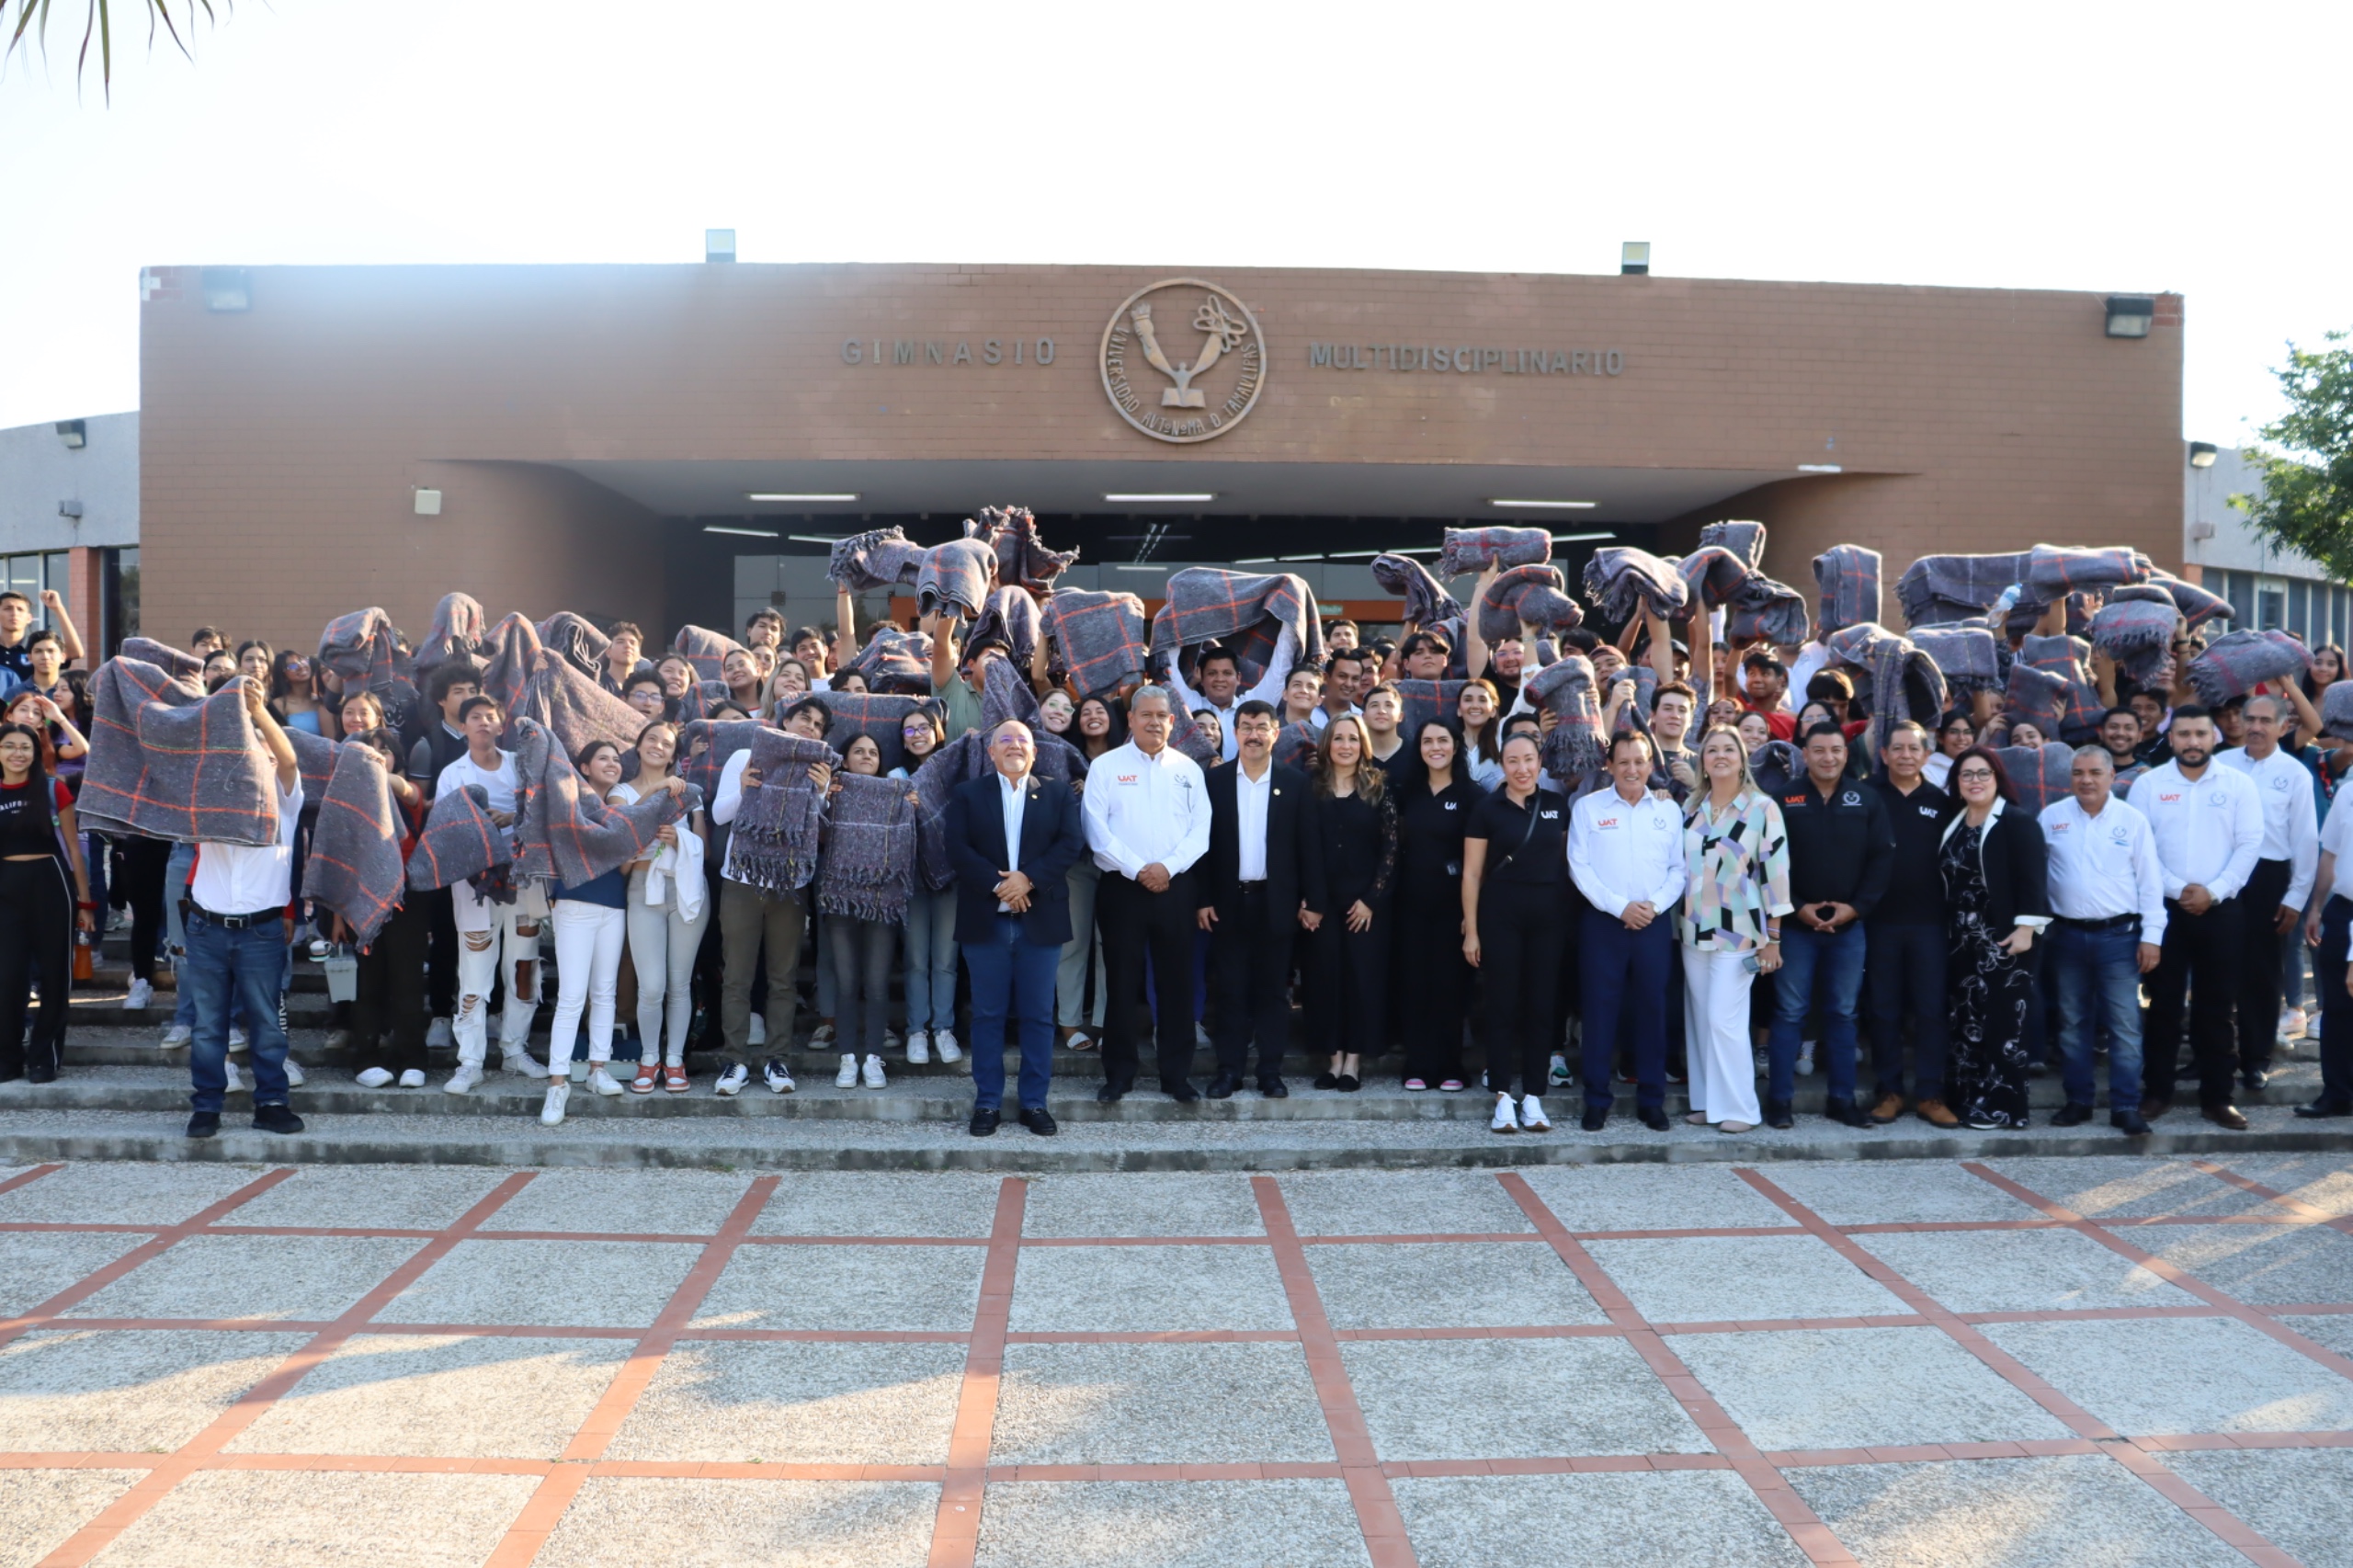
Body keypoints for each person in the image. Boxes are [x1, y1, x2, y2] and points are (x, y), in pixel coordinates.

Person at [948, 719, 1086, 1135]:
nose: (1014, 745)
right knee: (987, 1015)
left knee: (1039, 1017)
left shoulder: (1058, 793)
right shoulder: (968, 794)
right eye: (1004, 740)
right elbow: (957, 847)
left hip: (1039, 922)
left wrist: (1028, 879)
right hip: (985, 921)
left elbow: (1070, 843)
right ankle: (987, 1103)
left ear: (1034, 752)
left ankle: (1034, 1103)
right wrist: (1000, 886)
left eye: (1022, 739)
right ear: (991, 752)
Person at [183, 676, 303, 1138]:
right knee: (207, 1026)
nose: (254, 755)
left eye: (261, 749)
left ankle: (271, 1103)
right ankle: (206, 1106)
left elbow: (289, 760)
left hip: (260, 931)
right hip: (206, 928)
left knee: (267, 1024)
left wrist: (258, 713)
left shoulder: (285, 800)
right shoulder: (209, 795)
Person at [2133, 705, 2265, 1129]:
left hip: (2222, 909)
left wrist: (2213, 891)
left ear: (2214, 738)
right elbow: (2141, 849)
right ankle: (2157, 1092)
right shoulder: (2148, 785)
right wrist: (2178, 889)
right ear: (2171, 739)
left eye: (2200, 734)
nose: (2192, 741)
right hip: (2164, 910)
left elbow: (2250, 844)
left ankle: (2218, 1098)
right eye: (2184, 734)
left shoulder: (2239, 784)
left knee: (2218, 1007)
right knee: (2163, 1006)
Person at [1081, 685, 1211, 1103]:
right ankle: (1119, 1075)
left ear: (1172, 722)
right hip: (1122, 887)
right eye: (1146, 715)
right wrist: (1139, 869)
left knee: (1176, 982)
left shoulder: (1188, 769)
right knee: (1121, 982)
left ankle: (1176, 1076)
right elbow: (1096, 831)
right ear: (1132, 719)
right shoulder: (1106, 767)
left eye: (1161, 716)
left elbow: (1201, 830)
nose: (1154, 722)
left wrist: (1166, 868)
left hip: (1176, 886)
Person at [1766, 722, 1893, 1129]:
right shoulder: (1784, 799)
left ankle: (1842, 1100)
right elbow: (1769, 861)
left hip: (1848, 929)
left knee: (1843, 1014)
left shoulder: (1866, 799)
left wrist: (1855, 909)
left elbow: (1881, 860)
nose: (1828, 757)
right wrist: (1796, 907)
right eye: (1819, 750)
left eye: (1836, 749)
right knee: (1789, 1013)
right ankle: (1779, 1102)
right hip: (1795, 928)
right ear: (1805, 754)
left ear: (1846, 753)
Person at [710, 696, 835, 1096]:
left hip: (791, 883)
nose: (810, 727)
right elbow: (719, 814)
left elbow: (820, 833)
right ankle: (734, 1061)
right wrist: (744, 789)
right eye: (804, 718)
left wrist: (822, 793)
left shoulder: (818, 769)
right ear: (786, 721)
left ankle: (776, 1060)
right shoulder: (746, 755)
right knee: (737, 977)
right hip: (742, 878)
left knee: (783, 978)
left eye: (818, 725)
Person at [2040, 745, 2165, 1135]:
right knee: (2072, 1023)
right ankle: (2078, 1101)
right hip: (2066, 936)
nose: (2086, 780)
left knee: (2124, 1024)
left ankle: (2125, 1105)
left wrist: (2153, 937)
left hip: (2119, 938)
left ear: (2112, 776)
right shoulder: (2051, 817)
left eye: (2095, 772)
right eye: (2078, 773)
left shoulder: (2132, 820)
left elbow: (2150, 882)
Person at [1197, 699, 1317, 1096]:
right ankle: (1229, 1071)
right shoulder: (1213, 782)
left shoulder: (1296, 783)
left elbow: (1308, 848)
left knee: (1273, 993)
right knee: (1230, 991)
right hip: (1227, 903)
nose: (1253, 735)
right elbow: (1201, 846)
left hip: (1276, 903)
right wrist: (1202, 898)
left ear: (1275, 733)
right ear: (1235, 733)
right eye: (1246, 727)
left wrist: (1312, 899)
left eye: (1262, 727)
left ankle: (1270, 1072)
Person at [1568, 731, 1687, 1132]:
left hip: (1653, 922)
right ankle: (1596, 1100)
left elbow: (1678, 869)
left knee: (1652, 1010)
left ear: (1650, 765)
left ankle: (1652, 1101)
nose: (1631, 769)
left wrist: (1653, 906)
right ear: (1610, 766)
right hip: (1604, 923)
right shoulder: (1588, 808)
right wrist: (1620, 907)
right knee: (1600, 1011)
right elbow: (1579, 867)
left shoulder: (1669, 810)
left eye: (1639, 761)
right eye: (1623, 762)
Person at [437, 695, 551, 1095]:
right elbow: (445, 828)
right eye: (475, 717)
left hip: (524, 879)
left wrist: (514, 819)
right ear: (462, 726)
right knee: (474, 971)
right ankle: (470, 1061)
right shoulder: (452, 773)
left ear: (502, 725)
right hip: (475, 884)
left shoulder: (521, 766)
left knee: (524, 968)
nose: (483, 722)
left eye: (490, 716)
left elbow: (543, 812)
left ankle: (515, 1049)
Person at [1678, 724, 1789, 1133]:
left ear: (1743, 759)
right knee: (1700, 1020)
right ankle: (1708, 1103)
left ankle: (1742, 1109)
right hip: (1693, 929)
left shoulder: (1763, 808)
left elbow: (1776, 875)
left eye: (1729, 749)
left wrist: (1773, 937)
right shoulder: (1692, 807)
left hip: (1740, 931)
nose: (1720, 756)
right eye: (1712, 750)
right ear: (1703, 761)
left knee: (1724, 1020)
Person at [1461, 733, 1572, 1134]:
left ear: (1540, 762)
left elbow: (1567, 862)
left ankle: (1535, 1095)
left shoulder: (1557, 805)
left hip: (1548, 917)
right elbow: (1472, 874)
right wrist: (1471, 930)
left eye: (1528, 760)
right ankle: (1503, 1095)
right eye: (1513, 761)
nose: (1522, 769)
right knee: (1502, 1004)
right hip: (1500, 914)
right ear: (1503, 765)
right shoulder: (1486, 808)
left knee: (1541, 1005)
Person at [1936, 747, 2052, 1130]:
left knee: (2004, 1025)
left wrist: (2026, 929)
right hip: (1962, 940)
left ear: (1997, 777)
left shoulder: (2017, 821)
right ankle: (1967, 1098)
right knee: (1966, 1018)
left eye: (1983, 773)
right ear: (1956, 782)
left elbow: (2034, 880)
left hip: (2005, 940)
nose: (1975, 781)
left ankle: (2005, 1109)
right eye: (1966, 774)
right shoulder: (1955, 822)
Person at [534, 739, 643, 1122]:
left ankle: (598, 1068)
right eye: (603, 758)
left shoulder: (621, 809)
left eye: (616, 759)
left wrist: (632, 852)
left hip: (613, 905)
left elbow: (621, 867)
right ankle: (557, 1083)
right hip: (574, 903)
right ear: (584, 767)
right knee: (572, 996)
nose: (612, 764)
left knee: (604, 993)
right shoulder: (570, 803)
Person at [2218, 692, 2320, 1093]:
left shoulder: (2294, 774)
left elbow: (2305, 839)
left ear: (2283, 727)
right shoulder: (2221, 764)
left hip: (2268, 877)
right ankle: (2212, 1054)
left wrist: (2295, 897)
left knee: (2261, 971)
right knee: (2215, 966)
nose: (2256, 727)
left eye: (2265, 720)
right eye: (2251, 719)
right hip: (2222, 874)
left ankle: (2256, 1058)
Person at [1863, 722, 1959, 1127]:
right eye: (1897, 748)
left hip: (1929, 924)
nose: (1905, 755)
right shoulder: (1866, 795)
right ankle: (1889, 1091)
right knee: (1883, 1009)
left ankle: (1930, 1093)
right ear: (1884, 754)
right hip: (1878, 922)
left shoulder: (1942, 801)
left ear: (1926, 755)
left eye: (1913, 748)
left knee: (1931, 1009)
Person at [1302, 712, 1397, 1093]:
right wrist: (1309, 899)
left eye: (1353, 739)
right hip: (1320, 903)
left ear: (1363, 745)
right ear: (1328, 745)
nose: (1346, 745)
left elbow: (1391, 849)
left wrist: (1371, 900)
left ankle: (1353, 1062)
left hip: (1365, 905)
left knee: (1361, 980)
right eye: (1339, 738)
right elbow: (1301, 846)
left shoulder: (1379, 787)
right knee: (1324, 979)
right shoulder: (1311, 787)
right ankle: (1333, 1059)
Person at [613, 719, 707, 1095]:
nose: (657, 746)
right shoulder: (621, 791)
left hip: (685, 888)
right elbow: (621, 831)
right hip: (642, 889)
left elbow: (704, 847)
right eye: (650, 739)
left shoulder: (689, 793)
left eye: (666, 743)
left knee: (679, 983)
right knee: (651, 986)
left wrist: (680, 841)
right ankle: (649, 1058)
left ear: (673, 756)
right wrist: (655, 791)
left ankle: (675, 1060)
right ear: (638, 746)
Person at [0, 722, 92, 1084]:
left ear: (36, 752)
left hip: (51, 885)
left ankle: (45, 1057)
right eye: (9, 746)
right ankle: (7, 1058)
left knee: (55, 975)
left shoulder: (54, 789)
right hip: (6, 888)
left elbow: (73, 849)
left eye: (25, 747)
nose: (17, 753)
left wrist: (86, 903)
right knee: (8, 977)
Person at [817, 733, 909, 1092]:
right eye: (859, 751)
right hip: (840, 895)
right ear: (846, 759)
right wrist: (824, 797)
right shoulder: (834, 790)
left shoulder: (895, 793)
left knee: (876, 984)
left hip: (883, 897)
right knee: (846, 983)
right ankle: (847, 1058)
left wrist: (913, 805)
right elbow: (815, 832)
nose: (867, 756)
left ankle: (872, 1057)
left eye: (873, 751)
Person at [1394, 717, 1481, 1091]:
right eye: (1427, 741)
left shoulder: (1472, 795)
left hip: (1454, 908)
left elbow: (1479, 862)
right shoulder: (1406, 792)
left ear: (1455, 745)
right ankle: (1417, 1064)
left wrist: (1471, 917)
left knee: (1450, 986)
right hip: (1410, 904)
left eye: (1442, 740)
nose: (1435, 748)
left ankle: (1450, 1066)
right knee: (1414, 984)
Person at [893, 707, 961, 1066]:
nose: (918, 735)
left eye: (924, 728)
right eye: (910, 730)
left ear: (938, 733)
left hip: (950, 876)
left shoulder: (955, 772)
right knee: (916, 959)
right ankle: (917, 1031)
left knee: (946, 960)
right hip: (912, 878)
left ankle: (944, 1029)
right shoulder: (896, 775)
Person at [2300, 794, 2353, 1119]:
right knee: (2336, 1008)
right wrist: (2317, 906)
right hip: (2343, 909)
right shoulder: (2348, 793)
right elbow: (2330, 854)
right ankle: (2337, 1094)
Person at [1457, 680, 1504, 790]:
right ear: (1459, 710)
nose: (1475, 706)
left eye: (1482, 700)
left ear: (1493, 711)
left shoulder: (1503, 738)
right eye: (1468, 700)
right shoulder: (1449, 742)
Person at [268, 650, 325, 735]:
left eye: (302, 660)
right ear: (283, 675)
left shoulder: (320, 702)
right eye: (292, 666)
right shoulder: (279, 704)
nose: (301, 666)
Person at [1313, 649, 1365, 730]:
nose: (1349, 684)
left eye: (1355, 678)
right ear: (1325, 678)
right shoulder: (1309, 714)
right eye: (1342, 676)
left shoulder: (1363, 720)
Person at [1925, 710, 1975, 790]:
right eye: (1953, 732)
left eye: (1967, 732)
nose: (1961, 738)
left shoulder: (1979, 769)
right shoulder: (1927, 771)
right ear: (1940, 737)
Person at [599, 621, 646, 696]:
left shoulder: (646, 689)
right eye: (620, 642)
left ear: (639, 654)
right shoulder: (596, 683)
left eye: (632, 643)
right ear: (608, 652)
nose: (628, 646)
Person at [1280, 666, 1324, 730]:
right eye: (1297, 685)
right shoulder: (1269, 731)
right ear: (1285, 694)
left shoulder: (1322, 735)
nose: (1304, 690)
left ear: (1319, 700)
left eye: (1311, 687)